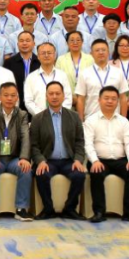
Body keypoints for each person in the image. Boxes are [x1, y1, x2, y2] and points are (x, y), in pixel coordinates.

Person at [84, 86, 129, 223]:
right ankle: (99, 212)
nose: (110, 101)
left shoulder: (124, 121)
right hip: (99, 160)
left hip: (120, 160)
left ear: (118, 101)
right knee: (96, 172)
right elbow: (88, 144)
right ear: (99, 100)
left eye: (113, 99)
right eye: (106, 98)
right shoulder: (91, 121)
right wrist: (94, 161)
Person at [29, 82, 87, 220]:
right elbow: (34, 145)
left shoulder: (74, 117)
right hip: (48, 161)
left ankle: (69, 209)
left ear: (63, 96)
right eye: (51, 94)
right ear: (46, 96)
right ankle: (48, 209)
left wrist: (78, 160)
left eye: (57, 93)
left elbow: (80, 142)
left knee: (79, 175)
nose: (54, 96)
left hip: (69, 161)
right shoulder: (37, 119)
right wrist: (40, 161)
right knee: (42, 174)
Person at [0, 82, 33, 221]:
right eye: (6, 95)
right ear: (0, 97)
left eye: (13, 95)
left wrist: (24, 158)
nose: (9, 98)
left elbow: (26, 137)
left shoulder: (22, 115)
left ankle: (21, 209)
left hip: (14, 158)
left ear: (17, 98)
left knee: (26, 169)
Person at [75, 39, 129, 121]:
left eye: (103, 50)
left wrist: (123, 120)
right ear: (91, 54)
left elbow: (123, 98)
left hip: (114, 118)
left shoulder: (118, 72)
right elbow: (80, 99)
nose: (101, 52)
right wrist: (81, 121)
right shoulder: (84, 73)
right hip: (91, 119)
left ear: (108, 53)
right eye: (97, 50)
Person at [23, 43, 72, 115]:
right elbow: (28, 101)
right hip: (39, 118)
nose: (46, 55)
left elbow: (68, 98)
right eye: (43, 53)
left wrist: (59, 113)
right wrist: (41, 115)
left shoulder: (62, 75)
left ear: (54, 55)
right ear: (38, 56)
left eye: (49, 53)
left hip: (61, 117)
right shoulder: (31, 77)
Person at [3, 31, 37, 111]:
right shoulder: (9, 62)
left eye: (28, 41)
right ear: (17, 44)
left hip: (36, 104)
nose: (24, 43)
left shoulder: (39, 62)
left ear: (33, 44)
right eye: (21, 41)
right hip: (15, 103)